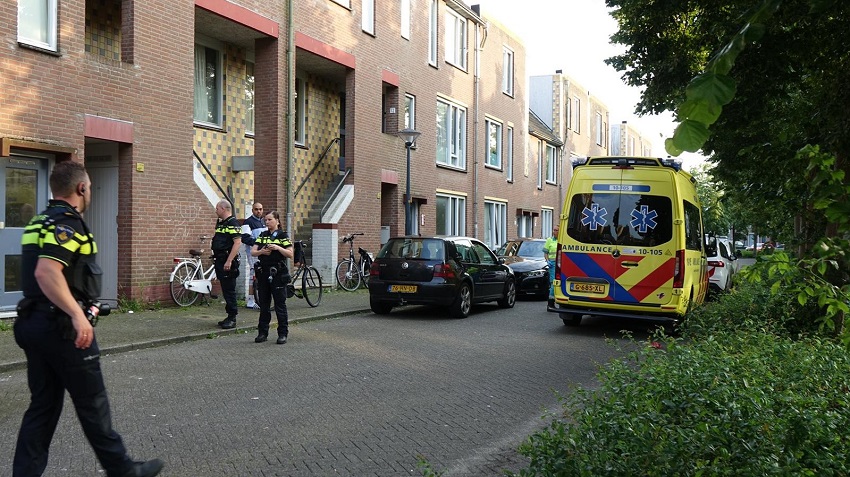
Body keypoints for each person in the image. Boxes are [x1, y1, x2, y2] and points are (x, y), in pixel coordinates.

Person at [13, 161, 164, 477]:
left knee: (42, 408)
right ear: (81, 188)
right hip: (63, 329)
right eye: (91, 186)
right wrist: (77, 316)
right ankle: (123, 470)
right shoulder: (67, 224)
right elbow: (47, 272)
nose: (91, 191)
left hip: (34, 324)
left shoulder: (38, 222)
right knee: (93, 406)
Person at [250, 210, 293, 344]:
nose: (267, 222)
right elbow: (253, 252)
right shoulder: (262, 235)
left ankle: (282, 334)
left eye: (269, 219)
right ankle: (262, 333)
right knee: (264, 304)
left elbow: (290, 253)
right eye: (266, 220)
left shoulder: (282, 236)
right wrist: (262, 251)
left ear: (277, 221)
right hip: (263, 273)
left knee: (280, 304)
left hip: (277, 274)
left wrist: (277, 248)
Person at [213, 199, 242, 329]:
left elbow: (237, 243)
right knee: (225, 289)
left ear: (224, 209)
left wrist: (229, 260)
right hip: (220, 260)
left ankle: (232, 318)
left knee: (229, 289)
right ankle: (229, 315)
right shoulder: (221, 223)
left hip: (227, 261)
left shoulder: (233, 223)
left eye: (217, 208)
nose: (216, 211)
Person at [242, 202, 265, 309]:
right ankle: (250, 300)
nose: (258, 211)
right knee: (253, 273)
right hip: (253, 252)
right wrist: (258, 243)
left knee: (260, 273)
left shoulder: (264, 221)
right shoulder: (248, 222)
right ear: (252, 210)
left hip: (263, 252)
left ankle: (259, 298)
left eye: (260, 209)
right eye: (256, 209)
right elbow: (245, 238)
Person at [543, 224, 560, 307]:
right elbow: (545, 253)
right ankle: (550, 302)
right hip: (552, 264)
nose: (554, 232)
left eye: (556, 230)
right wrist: (547, 261)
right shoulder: (549, 240)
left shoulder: (562, 240)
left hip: (561, 264)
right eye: (554, 230)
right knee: (553, 283)